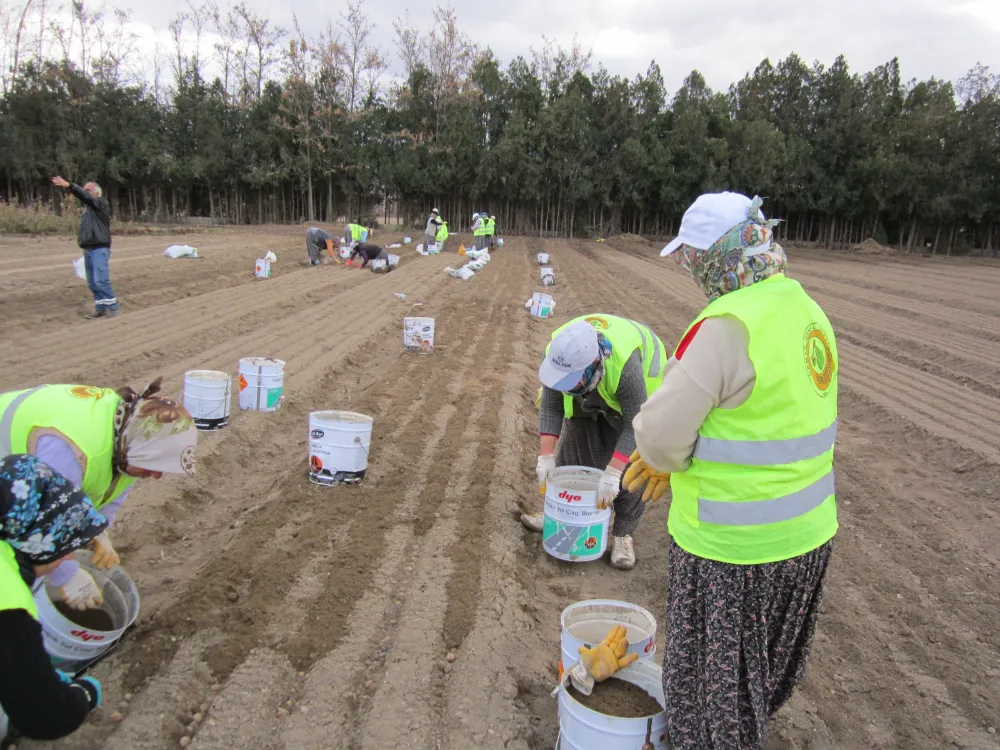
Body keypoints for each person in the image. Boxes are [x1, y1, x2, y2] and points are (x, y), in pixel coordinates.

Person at [626, 192, 839, 750]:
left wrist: (671, 463)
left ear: (720, 255)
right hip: (808, 539)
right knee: (755, 681)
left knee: (705, 700)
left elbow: (657, 436)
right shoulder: (808, 313)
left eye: (694, 257)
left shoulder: (726, 325)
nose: (692, 271)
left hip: (732, 553)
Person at [0, 377, 198, 611]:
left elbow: (111, 495)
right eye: (155, 466)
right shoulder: (72, 453)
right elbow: (40, 527)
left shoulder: (130, 441)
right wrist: (67, 576)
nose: (157, 476)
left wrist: (98, 531)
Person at [522, 314, 666, 570]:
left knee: (630, 470)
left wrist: (612, 473)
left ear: (592, 365)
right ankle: (558, 516)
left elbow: (635, 425)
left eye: (571, 380)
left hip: (638, 403)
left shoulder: (625, 369)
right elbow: (551, 408)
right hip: (593, 385)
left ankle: (623, 535)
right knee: (575, 445)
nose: (564, 385)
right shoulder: (558, 355)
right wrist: (545, 458)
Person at [0, 454, 107, 740]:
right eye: (64, 543)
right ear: (39, 541)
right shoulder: (9, 602)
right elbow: (47, 718)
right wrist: (80, 696)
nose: (69, 556)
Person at [51, 176, 118, 319]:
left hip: (100, 248)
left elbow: (85, 197)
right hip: (88, 249)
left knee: (101, 280)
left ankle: (112, 308)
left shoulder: (101, 203)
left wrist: (70, 186)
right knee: (92, 282)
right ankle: (101, 308)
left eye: (87, 190)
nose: (84, 192)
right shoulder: (86, 211)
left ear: (96, 193)